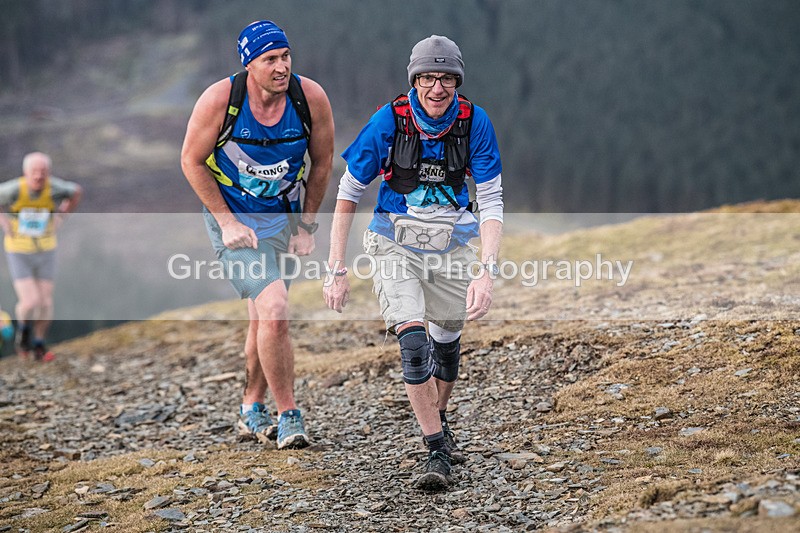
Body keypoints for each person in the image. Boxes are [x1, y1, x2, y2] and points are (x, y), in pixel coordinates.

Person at [324, 35, 504, 490]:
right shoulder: (389, 120)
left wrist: (487, 270)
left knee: (446, 341)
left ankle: (438, 419)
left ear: (457, 82)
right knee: (414, 343)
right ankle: (435, 450)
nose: (436, 88)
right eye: (427, 78)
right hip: (393, 243)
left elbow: (492, 198)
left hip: (455, 244)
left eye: (446, 78)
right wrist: (336, 267)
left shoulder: (475, 122)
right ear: (414, 81)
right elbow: (348, 191)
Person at [181, 20, 334, 450]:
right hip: (234, 222)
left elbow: (322, 164)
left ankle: (251, 407)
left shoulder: (310, 99)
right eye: (270, 60)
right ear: (249, 64)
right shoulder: (221, 100)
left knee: (263, 318)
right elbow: (191, 161)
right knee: (276, 307)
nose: (281, 67)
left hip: (283, 220)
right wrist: (228, 222)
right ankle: (289, 415)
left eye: (286, 57)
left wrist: (306, 226)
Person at [0, 152, 82, 361]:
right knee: (30, 302)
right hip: (19, 250)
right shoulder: (13, 190)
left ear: (49, 173)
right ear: (25, 173)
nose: (38, 176)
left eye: (43, 172)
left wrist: (61, 217)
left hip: (46, 250)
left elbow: (76, 192)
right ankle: (23, 331)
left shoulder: (55, 188)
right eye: (34, 172)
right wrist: (4, 223)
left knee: (45, 302)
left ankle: (39, 344)